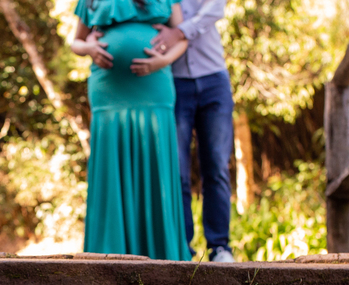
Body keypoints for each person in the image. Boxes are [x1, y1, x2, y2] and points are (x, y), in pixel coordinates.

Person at [70, 0, 193, 260]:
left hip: (154, 88)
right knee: (110, 164)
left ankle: (162, 257)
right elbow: (75, 42)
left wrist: (163, 61)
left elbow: (183, 37)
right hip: (109, 93)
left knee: (156, 163)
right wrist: (90, 48)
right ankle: (108, 259)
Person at [150, 0, 235, 263]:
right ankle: (182, 248)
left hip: (214, 79)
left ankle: (219, 247)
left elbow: (215, 9)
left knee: (217, 166)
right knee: (177, 172)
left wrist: (179, 31)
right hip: (174, 83)